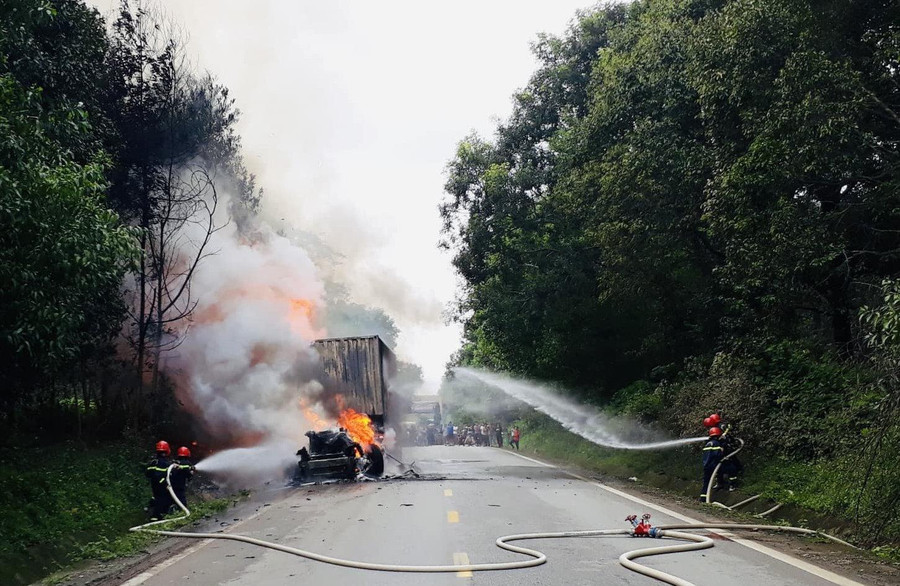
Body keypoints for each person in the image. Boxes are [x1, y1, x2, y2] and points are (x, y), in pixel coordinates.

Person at [146, 440, 173, 520]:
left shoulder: (154, 462)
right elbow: (170, 475)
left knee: (156, 497)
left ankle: (152, 511)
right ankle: (158, 516)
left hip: (154, 485)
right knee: (163, 499)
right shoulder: (165, 463)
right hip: (163, 485)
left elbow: (147, 473)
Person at [700, 427, 724, 501]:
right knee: (727, 470)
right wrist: (722, 451)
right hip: (713, 465)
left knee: (706, 482)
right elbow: (717, 455)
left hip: (706, 466)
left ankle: (703, 498)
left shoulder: (708, 444)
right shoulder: (716, 443)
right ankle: (722, 484)